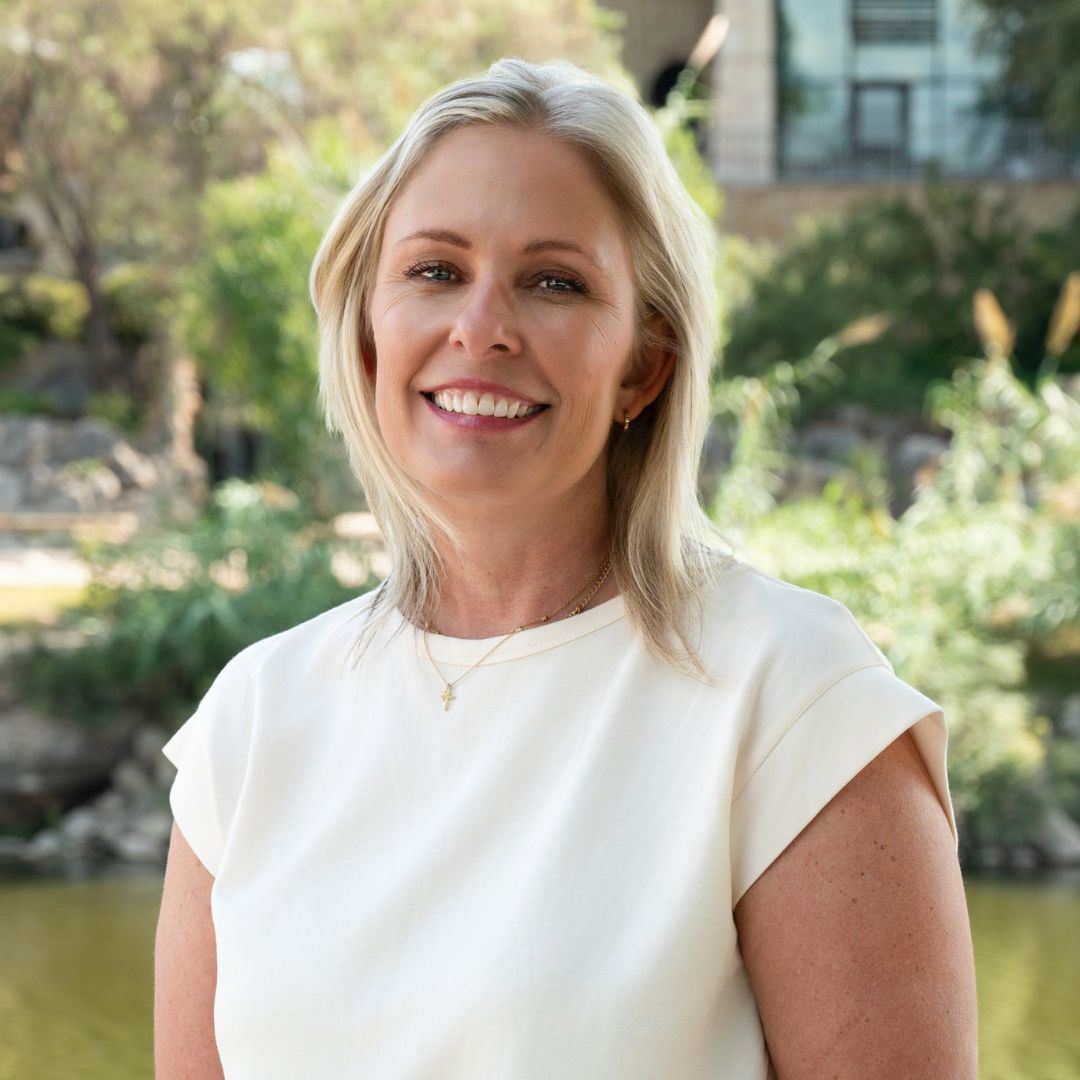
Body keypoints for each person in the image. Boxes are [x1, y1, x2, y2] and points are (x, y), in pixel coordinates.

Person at [154, 58, 978, 1079]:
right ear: (367, 332)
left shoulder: (793, 700)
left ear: (644, 365)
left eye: (555, 282)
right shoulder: (253, 724)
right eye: (434, 270)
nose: (481, 328)